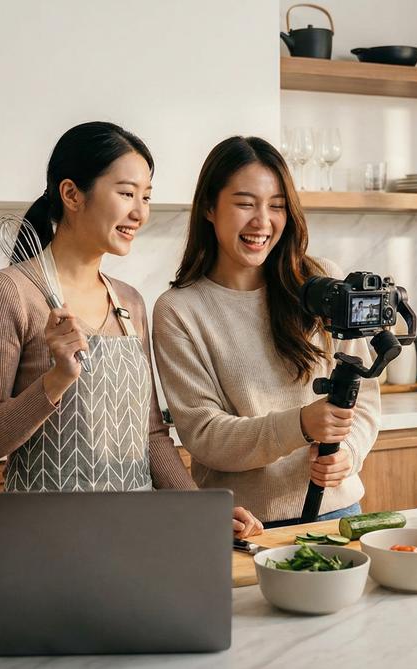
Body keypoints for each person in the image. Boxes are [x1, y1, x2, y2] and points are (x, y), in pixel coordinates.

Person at [0, 122, 262, 538]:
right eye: (125, 193)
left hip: (132, 534)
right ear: (71, 194)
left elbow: (152, 435)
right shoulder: (10, 293)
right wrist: (55, 380)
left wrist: (202, 509)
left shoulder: (130, 303)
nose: (140, 212)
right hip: (46, 538)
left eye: (146, 197)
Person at [152, 136, 381, 527]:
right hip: (244, 524)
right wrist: (301, 424)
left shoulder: (321, 281)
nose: (262, 221)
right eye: (245, 203)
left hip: (338, 514)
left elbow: (364, 398)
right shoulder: (179, 310)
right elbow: (205, 435)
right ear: (209, 206)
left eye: (276, 206)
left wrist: (349, 454)